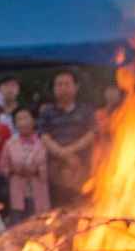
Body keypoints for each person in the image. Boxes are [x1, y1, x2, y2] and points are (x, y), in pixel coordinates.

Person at [38, 69, 97, 209]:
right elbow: (43, 136)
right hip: (55, 170)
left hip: (80, 166)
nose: (63, 88)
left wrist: (70, 150)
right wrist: (62, 153)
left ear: (76, 87)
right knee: (58, 210)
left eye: (67, 84)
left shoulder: (86, 110)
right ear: (54, 88)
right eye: (59, 84)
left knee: (82, 207)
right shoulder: (47, 112)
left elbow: (91, 134)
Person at [1, 106, 50, 222]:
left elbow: (49, 165)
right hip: (18, 192)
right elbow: (3, 167)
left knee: (40, 224)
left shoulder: (43, 142)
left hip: (39, 191)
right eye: (19, 119)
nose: (23, 122)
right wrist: (14, 170)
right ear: (15, 124)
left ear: (33, 121)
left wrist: (37, 171)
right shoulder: (9, 144)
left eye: (26, 118)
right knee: (19, 226)